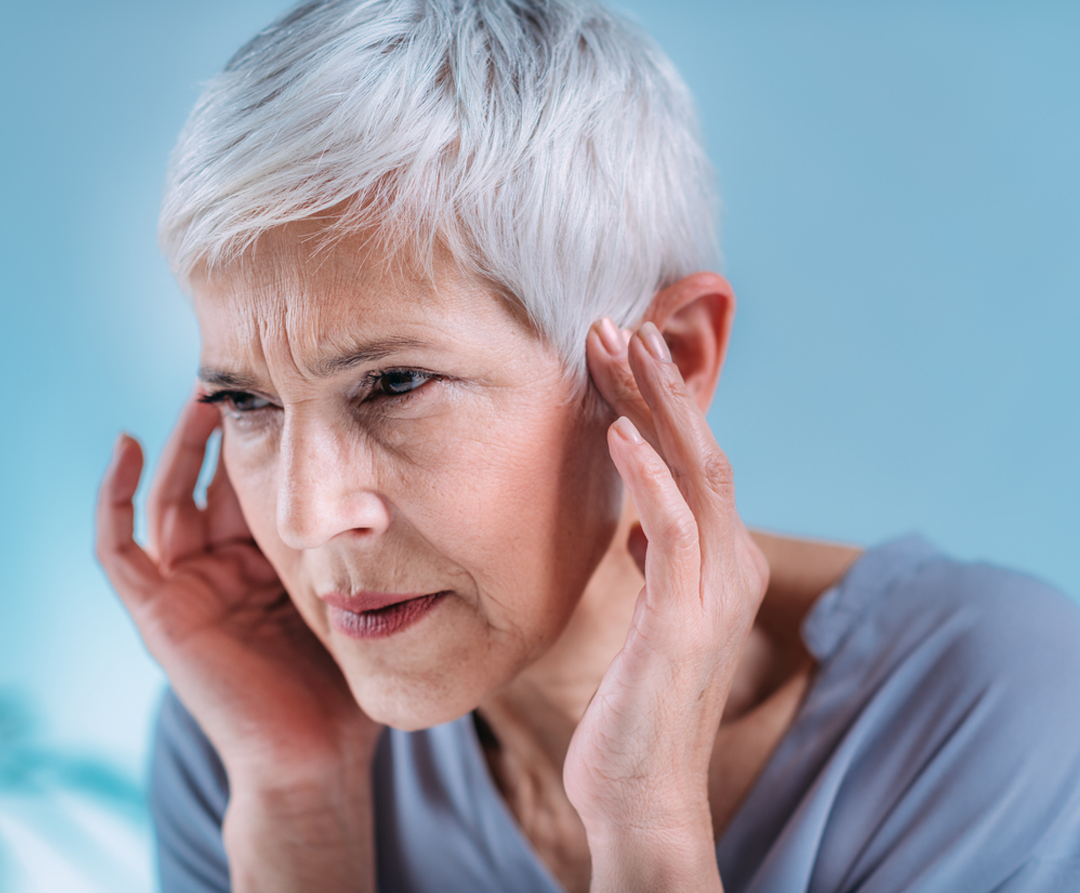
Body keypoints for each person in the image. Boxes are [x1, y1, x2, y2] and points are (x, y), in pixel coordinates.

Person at [95, 1, 1080, 890]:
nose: (309, 516)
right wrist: (301, 811)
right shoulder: (249, 729)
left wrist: (647, 820)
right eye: (249, 402)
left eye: (394, 383)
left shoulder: (997, 715)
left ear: (672, 360)